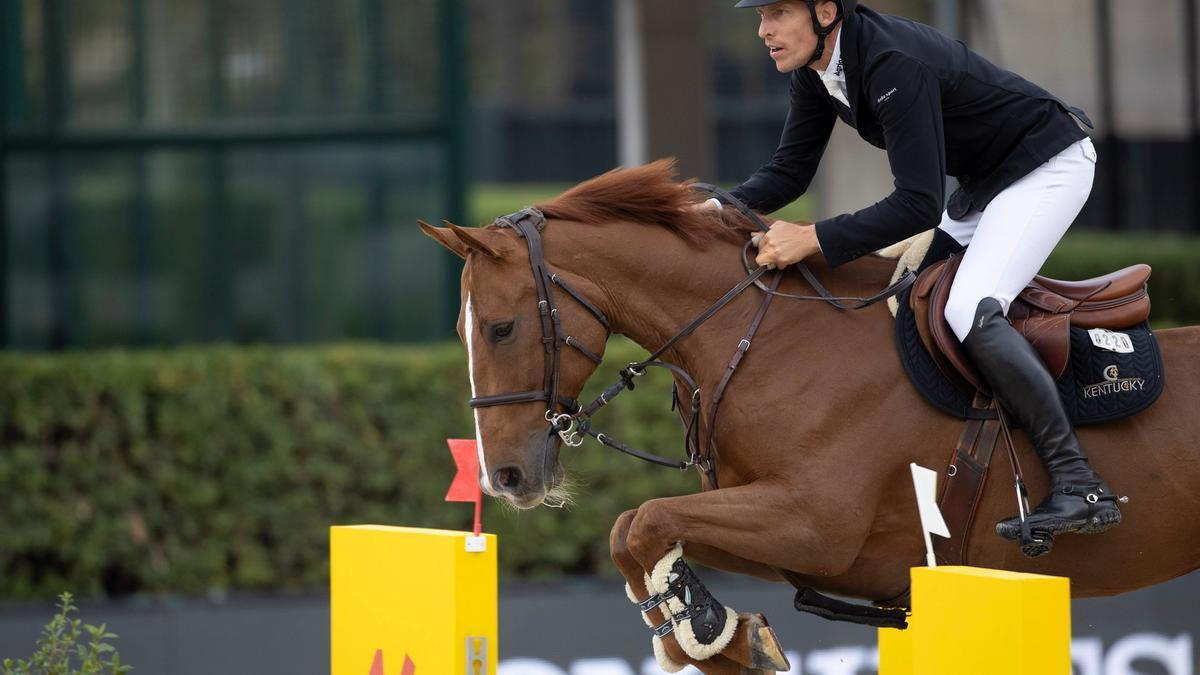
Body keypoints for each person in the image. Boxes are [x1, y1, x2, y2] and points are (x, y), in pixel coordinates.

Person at [715, 0, 1121, 549]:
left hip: (1046, 166)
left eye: (779, 12)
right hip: (987, 184)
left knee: (966, 307)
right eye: (761, 16)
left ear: (826, 11)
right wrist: (716, 212)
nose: (764, 31)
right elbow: (789, 171)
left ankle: (1080, 483)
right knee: (904, 304)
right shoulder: (817, 69)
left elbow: (917, 205)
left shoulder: (890, 64)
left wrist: (813, 238)